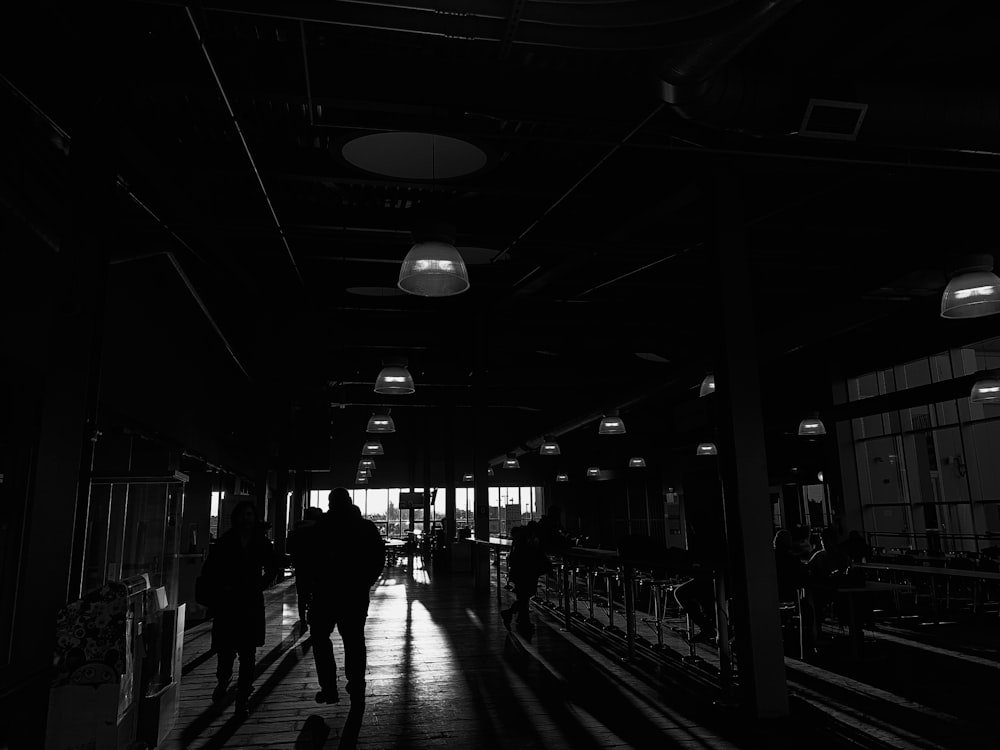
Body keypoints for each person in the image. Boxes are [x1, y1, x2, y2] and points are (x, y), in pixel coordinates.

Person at [307, 487, 386, 705]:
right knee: (354, 640)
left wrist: (314, 584)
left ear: (330, 503)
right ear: (350, 501)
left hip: (326, 593)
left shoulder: (321, 527)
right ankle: (356, 684)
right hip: (355, 594)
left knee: (320, 638)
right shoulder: (365, 527)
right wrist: (365, 581)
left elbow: (311, 560)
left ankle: (329, 687)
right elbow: (379, 558)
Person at [200, 500, 278, 718]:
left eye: (250, 515)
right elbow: (211, 571)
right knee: (226, 651)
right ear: (237, 518)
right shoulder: (229, 542)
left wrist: (258, 586)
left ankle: (242, 696)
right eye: (244, 515)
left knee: (247, 653)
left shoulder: (255, 543)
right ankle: (224, 678)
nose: (247, 519)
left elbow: (272, 568)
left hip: (246, 602)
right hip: (231, 602)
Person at [500, 523, 551, 637]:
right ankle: (511, 614)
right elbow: (537, 554)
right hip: (527, 571)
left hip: (519, 572)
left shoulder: (519, 540)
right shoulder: (529, 540)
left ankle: (522, 620)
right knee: (526, 595)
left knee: (523, 596)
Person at [286, 506, 324, 630]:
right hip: (317, 568)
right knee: (317, 595)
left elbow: (289, 549)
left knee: (302, 595)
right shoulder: (321, 530)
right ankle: (315, 619)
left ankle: (302, 619)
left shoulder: (296, 530)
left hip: (302, 567)